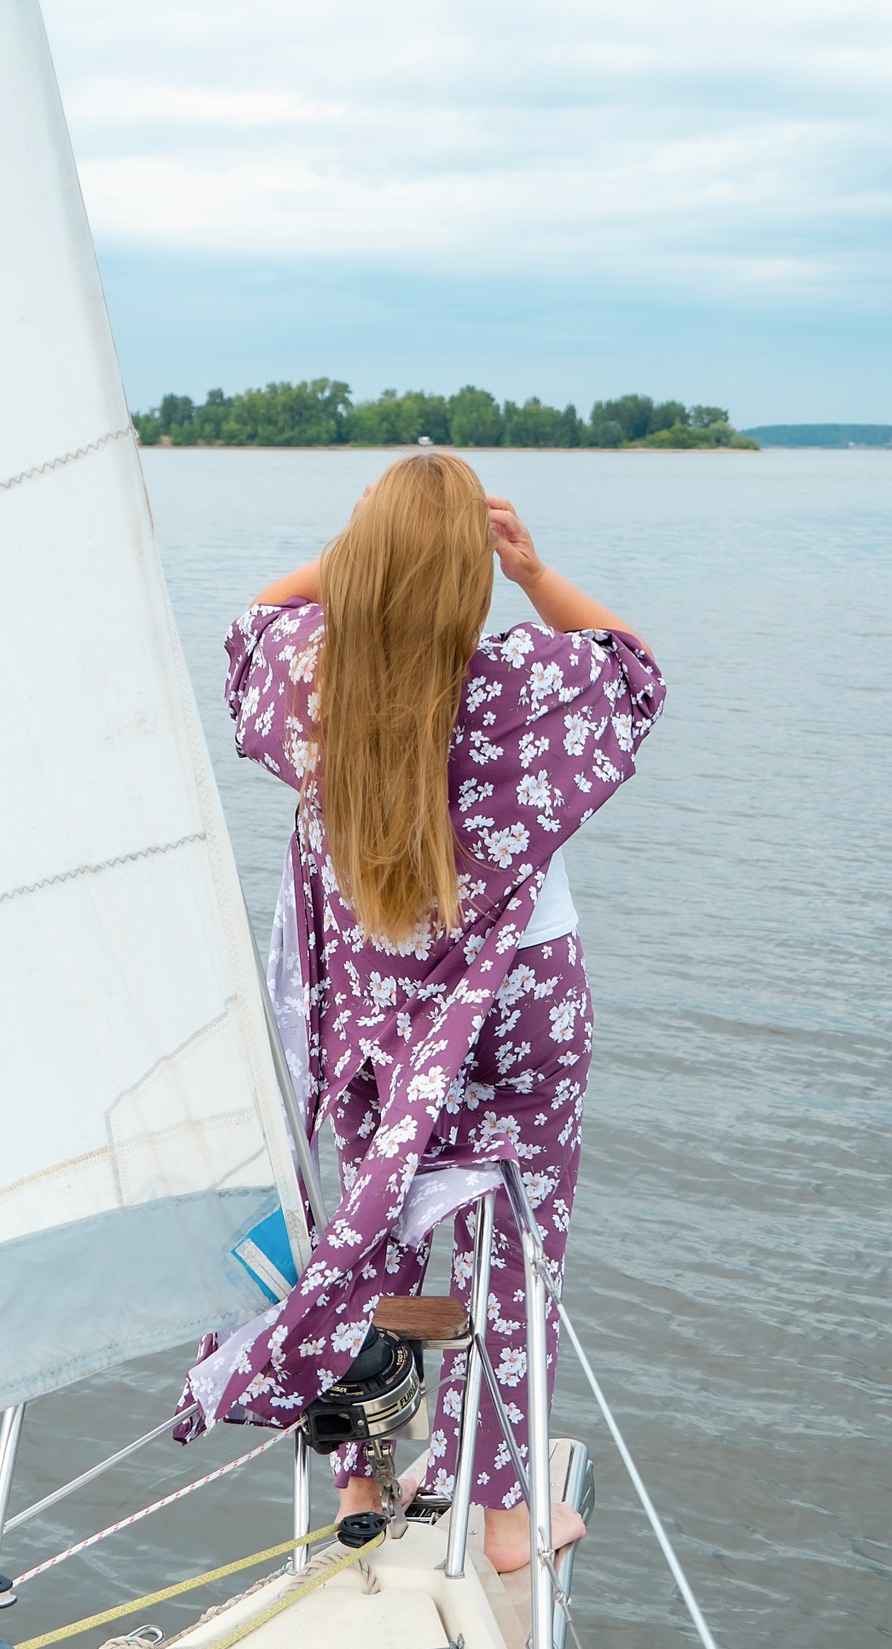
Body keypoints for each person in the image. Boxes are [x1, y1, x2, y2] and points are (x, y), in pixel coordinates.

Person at [174, 450, 664, 1573]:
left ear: (368, 561)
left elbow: (252, 619)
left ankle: (362, 1475)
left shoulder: (311, 677)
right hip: (520, 1011)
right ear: (467, 577)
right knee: (514, 1249)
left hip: (380, 1009)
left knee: (380, 1230)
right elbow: (636, 668)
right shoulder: (529, 684)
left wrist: (347, 558)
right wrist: (532, 571)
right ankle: (501, 1521)